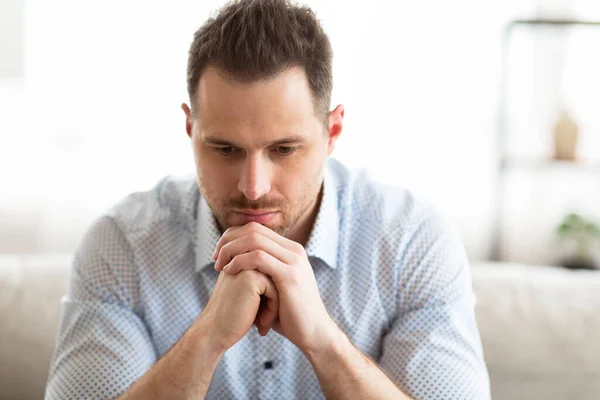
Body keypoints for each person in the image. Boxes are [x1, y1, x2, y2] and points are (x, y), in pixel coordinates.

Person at [45, 0, 490, 398]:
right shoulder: (121, 247)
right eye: (225, 149)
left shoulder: (413, 241)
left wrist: (322, 339)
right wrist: (206, 339)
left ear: (332, 131)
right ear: (189, 129)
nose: (253, 187)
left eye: (284, 150)